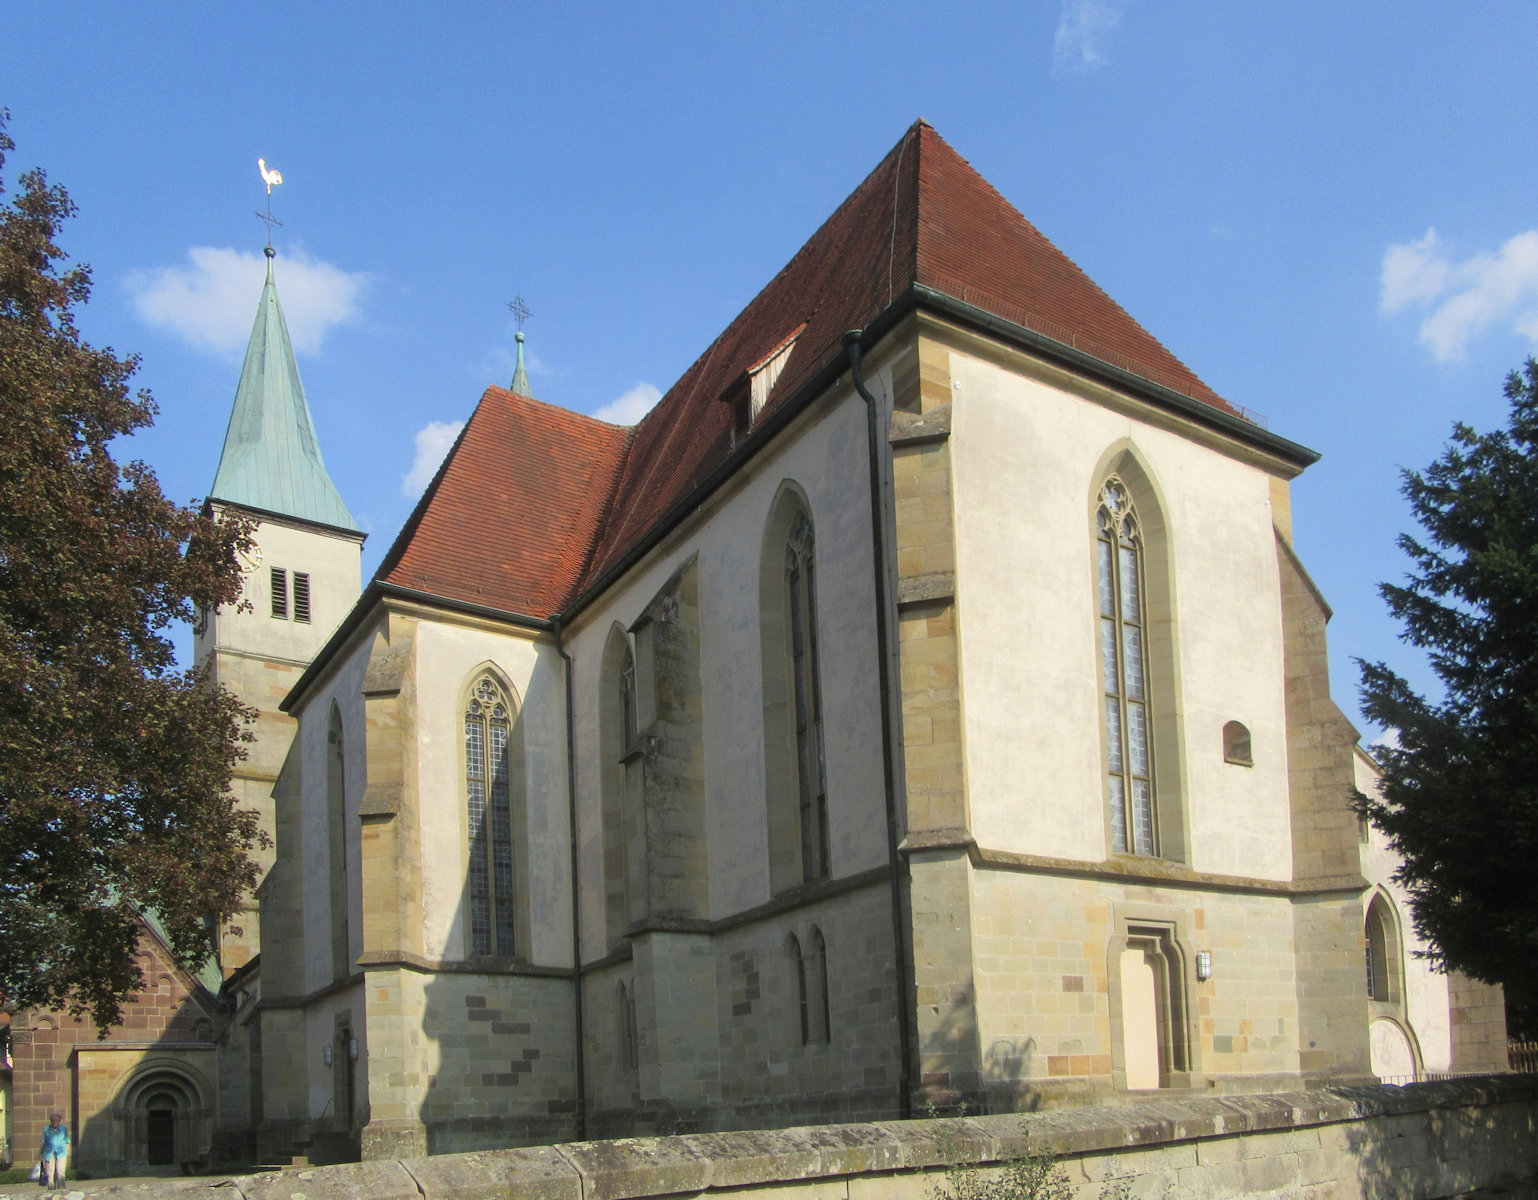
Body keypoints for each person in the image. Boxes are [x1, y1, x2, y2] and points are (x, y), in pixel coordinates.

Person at [38, 1111, 69, 1189]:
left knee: (60, 1171)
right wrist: (40, 1154)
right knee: (50, 1173)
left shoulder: (64, 1129)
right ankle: (51, 1190)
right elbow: (43, 1142)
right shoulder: (46, 1129)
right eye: (53, 1120)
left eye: (56, 1120)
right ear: (51, 1121)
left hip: (61, 1153)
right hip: (49, 1153)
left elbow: (67, 1141)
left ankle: (61, 1189)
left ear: (60, 1121)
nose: (55, 1122)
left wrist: (67, 1152)